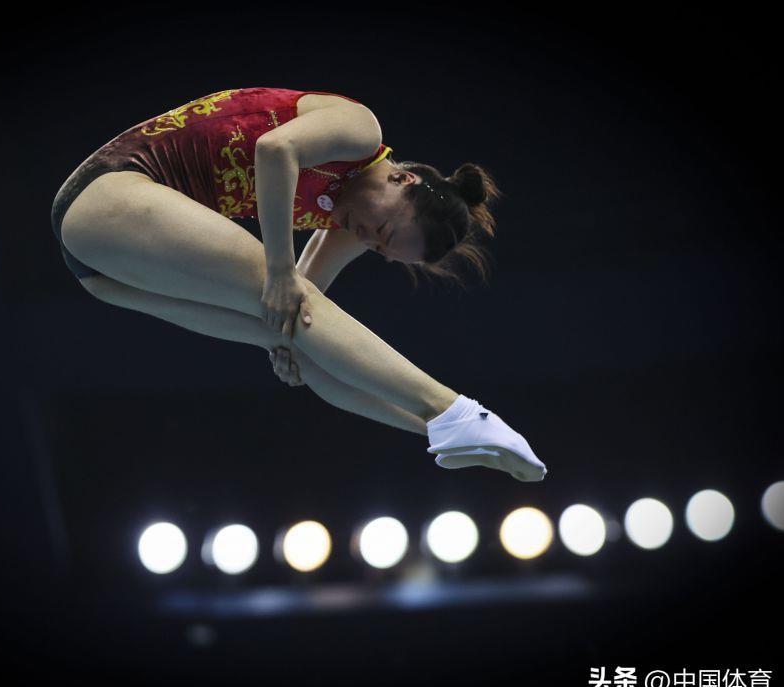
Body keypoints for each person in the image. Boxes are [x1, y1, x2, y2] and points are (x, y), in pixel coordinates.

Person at [51, 87, 546, 481]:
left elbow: (305, 311)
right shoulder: (361, 131)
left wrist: (287, 343)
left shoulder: (350, 219)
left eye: (378, 248)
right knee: (289, 297)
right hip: (110, 192)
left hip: (101, 275)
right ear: (403, 180)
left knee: (295, 331)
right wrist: (282, 270)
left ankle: (436, 428)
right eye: (382, 230)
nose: (366, 238)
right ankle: (456, 410)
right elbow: (274, 149)